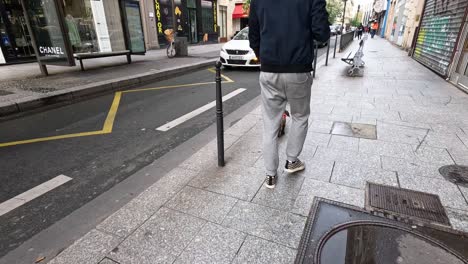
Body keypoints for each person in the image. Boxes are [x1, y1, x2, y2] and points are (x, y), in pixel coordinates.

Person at [249, 0, 330, 188]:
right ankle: (292, 161)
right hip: (298, 70)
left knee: (270, 123)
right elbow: (322, 33)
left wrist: (265, 57)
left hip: (269, 70)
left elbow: (253, 35)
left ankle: (270, 175)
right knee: (300, 116)